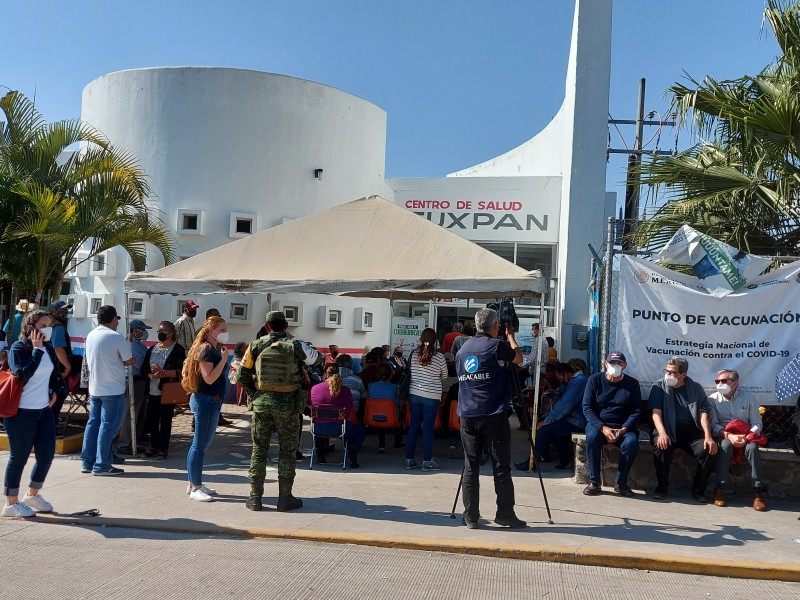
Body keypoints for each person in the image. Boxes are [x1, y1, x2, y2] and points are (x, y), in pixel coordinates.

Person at [455, 307, 526, 529]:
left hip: (467, 414)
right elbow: (519, 359)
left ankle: (470, 516)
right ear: (495, 327)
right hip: (493, 414)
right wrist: (511, 336)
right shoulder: (497, 346)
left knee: (470, 467)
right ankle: (505, 514)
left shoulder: (462, 349)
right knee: (501, 466)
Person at [236, 311, 306, 512]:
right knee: (287, 451)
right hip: (288, 407)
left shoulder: (255, 346)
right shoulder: (296, 346)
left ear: (267, 326)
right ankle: (285, 499)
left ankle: (255, 498)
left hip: (261, 406)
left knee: (259, 450)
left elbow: (241, 376)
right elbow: (317, 360)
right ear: (285, 325)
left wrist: (255, 390)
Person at [3, 310, 68, 517]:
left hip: (43, 410)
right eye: (42, 325)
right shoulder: (18, 348)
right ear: (30, 327)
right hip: (21, 412)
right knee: (19, 457)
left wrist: (56, 392)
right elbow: (23, 373)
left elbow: (56, 375)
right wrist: (37, 350)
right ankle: (10, 504)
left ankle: (32, 494)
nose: (47, 329)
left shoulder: (48, 347)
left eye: (49, 325)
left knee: (47, 455)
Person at [648, 357, 717, 502]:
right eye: (666, 371)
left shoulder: (695, 388)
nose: (668, 374)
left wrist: (708, 436)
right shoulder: (658, 386)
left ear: (683, 375)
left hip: (689, 430)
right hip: (665, 427)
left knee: (708, 450)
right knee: (661, 447)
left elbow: (703, 413)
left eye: (672, 372)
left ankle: (699, 489)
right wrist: (661, 433)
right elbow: (656, 413)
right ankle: (661, 488)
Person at [80, 306, 135, 476]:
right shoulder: (116, 337)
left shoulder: (91, 335)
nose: (118, 322)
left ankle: (88, 462)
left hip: (95, 388)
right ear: (112, 319)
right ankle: (102, 464)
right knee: (108, 426)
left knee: (93, 425)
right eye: (116, 319)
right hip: (113, 389)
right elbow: (129, 360)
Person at [581, 350, 641, 497]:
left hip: (623, 426)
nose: (615, 365)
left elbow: (636, 410)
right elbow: (587, 407)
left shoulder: (632, 384)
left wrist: (624, 429)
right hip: (599, 424)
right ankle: (595, 482)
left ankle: (621, 483)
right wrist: (602, 427)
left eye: (619, 363)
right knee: (592, 438)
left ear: (625, 366)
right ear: (605, 364)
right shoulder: (594, 380)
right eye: (612, 362)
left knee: (631, 443)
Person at [182, 316, 229, 501]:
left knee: (201, 444)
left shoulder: (210, 348)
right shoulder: (207, 350)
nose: (225, 333)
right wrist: (224, 359)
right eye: (222, 330)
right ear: (211, 330)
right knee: (199, 445)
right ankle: (196, 487)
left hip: (211, 400)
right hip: (206, 400)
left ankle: (192, 482)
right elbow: (209, 378)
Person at [708, 369, 767, 511]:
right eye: (717, 381)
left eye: (723, 381)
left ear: (735, 383)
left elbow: (757, 423)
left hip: (746, 435)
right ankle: (719, 489)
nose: (719, 384)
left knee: (752, 449)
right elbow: (713, 424)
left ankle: (758, 493)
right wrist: (729, 435)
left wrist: (746, 437)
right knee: (725, 446)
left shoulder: (749, 398)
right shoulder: (712, 399)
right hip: (725, 435)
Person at [515, 362, 588, 471]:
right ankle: (565, 456)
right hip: (573, 418)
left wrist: (548, 420)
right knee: (550, 429)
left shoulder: (578, 382)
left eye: (562, 379)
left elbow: (566, 404)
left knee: (543, 430)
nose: (562, 382)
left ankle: (532, 461)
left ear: (566, 373)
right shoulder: (576, 381)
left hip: (577, 420)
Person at [405, 328, 448, 471]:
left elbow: (409, 371)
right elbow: (445, 376)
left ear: (421, 339)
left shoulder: (413, 354)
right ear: (436, 340)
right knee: (428, 430)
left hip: (414, 394)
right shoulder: (439, 357)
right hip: (431, 396)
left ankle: (409, 460)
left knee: (413, 427)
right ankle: (427, 461)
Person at [142, 321, 186, 460]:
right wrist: (151, 375)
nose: (160, 333)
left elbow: (181, 371)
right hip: (152, 389)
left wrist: (164, 372)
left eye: (163, 331)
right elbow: (143, 369)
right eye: (159, 331)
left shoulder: (178, 349)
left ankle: (163, 449)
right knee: (152, 420)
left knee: (166, 420)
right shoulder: (153, 349)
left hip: (167, 390)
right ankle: (154, 446)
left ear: (171, 333)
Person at [310, 365, 366, 468]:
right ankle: (352, 449)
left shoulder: (314, 389)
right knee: (360, 431)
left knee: (320, 423)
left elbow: (312, 405)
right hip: (339, 428)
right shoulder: (344, 390)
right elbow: (350, 409)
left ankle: (320, 454)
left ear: (325, 375)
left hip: (317, 428)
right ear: (338, 374)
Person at [117, 319, 152, 456]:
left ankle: (135, 441)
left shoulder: (140, 345)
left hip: (142, 381)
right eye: (141, 330)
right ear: (133, 331)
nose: (143, 333)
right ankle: (125, 443)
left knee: (140, 414)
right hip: (133, 380)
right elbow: (136, 364)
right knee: (129, 414)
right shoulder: (129, 345)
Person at [367, 362, 404, 452]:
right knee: (400, 415)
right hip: (392, 419)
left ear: (377, 374)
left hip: (374, 418)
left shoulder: (371, 386)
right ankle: (397, 443)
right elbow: (400, 403)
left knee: (380, 413)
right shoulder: (395, 387)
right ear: (391, 374)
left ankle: (381, 445)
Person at [48, 300, 73, 421]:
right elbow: (58, 348)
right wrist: (68, 367)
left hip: (48, 366)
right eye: (62, 309)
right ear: (54, 310)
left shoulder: (49, 324)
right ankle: (52, 424)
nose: (65, 311)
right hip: (56, 368)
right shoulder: (57, 327)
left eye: (66, 309)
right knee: (59, 393)